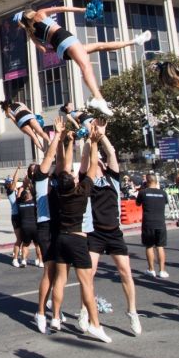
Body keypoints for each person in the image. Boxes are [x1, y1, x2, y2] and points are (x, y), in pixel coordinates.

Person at [15, 6, 140, 116]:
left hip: (61, 50)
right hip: (65, 38)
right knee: (86, 66)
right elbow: (63, 9)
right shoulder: (40, 13)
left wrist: (56, 47)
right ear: (29, 12)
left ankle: (133, 41)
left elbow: (43, 50)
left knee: (101, 46)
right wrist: (83, 10)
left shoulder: (31, 32)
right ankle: (98, 98)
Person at [48, 132, 112, 342]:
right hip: (76, 239)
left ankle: (56, 318)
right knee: (86, 283)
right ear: (74, 182)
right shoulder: (81, 191)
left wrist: (66, 141)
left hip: (60, 238)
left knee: (60, 280)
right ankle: (95, 324)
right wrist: (93, 142)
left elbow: (62, 167)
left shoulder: (59, 194)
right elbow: (93, 164)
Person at [82, 124, 142, 335]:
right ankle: (85, 310)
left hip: (114, 232)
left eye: (100, 161)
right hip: (95, 233)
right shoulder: (87, 180)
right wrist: (91, 140)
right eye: (95, 160)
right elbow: (85, 158)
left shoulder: (113, 178)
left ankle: (132, 312)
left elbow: (112, 153)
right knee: (88, 274)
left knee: (126, 273)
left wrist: (103, 135)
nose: (98, 162)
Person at [30, 126, 63, 333]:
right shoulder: (40, 181)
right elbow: (51, 155)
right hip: (45, 227)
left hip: (61, 227)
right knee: (49, 270)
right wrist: (56, 134)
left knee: (62, 273)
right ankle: (41, 311)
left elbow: (59, 158)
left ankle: (57, 312)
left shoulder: (57, 179)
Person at [137, 173, 169, 278]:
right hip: (160, 222)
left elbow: (138, 203)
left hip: (148, 223)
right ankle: (162, 270)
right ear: (156, 181)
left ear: (146, 181)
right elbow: (165, 203)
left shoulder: (143, 192)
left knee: (149, 246)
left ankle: (151, 269)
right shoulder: (163, 193)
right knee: (160, 246)